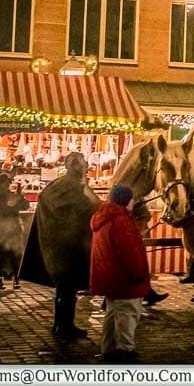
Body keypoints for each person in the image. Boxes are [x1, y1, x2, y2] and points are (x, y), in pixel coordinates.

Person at [36, 152, 99, 339]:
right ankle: (64, 326)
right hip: (67, 246)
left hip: (58, 243)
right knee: (67, 289)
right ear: (76, 166)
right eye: (83, 163)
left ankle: (61, 324)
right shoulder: (72, 186)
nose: (86, 165)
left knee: (64, 289)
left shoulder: (57, 184)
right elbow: (82, 209)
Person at [90, 184, 151, 362]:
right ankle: (126, 350)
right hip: (124, 280)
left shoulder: (103, 217)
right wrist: (138, 274)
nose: (133, 202)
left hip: (110, 278)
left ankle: (108, 349)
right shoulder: (121, 221)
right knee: (127, 315)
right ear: (125, 201)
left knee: (111, 314)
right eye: (131, 199)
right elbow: (130, 252)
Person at [0, 174, 26, 290]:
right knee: (14, 255)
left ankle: (0, 279)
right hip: (11, 226)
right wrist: (19, 197)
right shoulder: (11, 195)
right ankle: (15, 279)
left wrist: (19, 196)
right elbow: (24, 206)